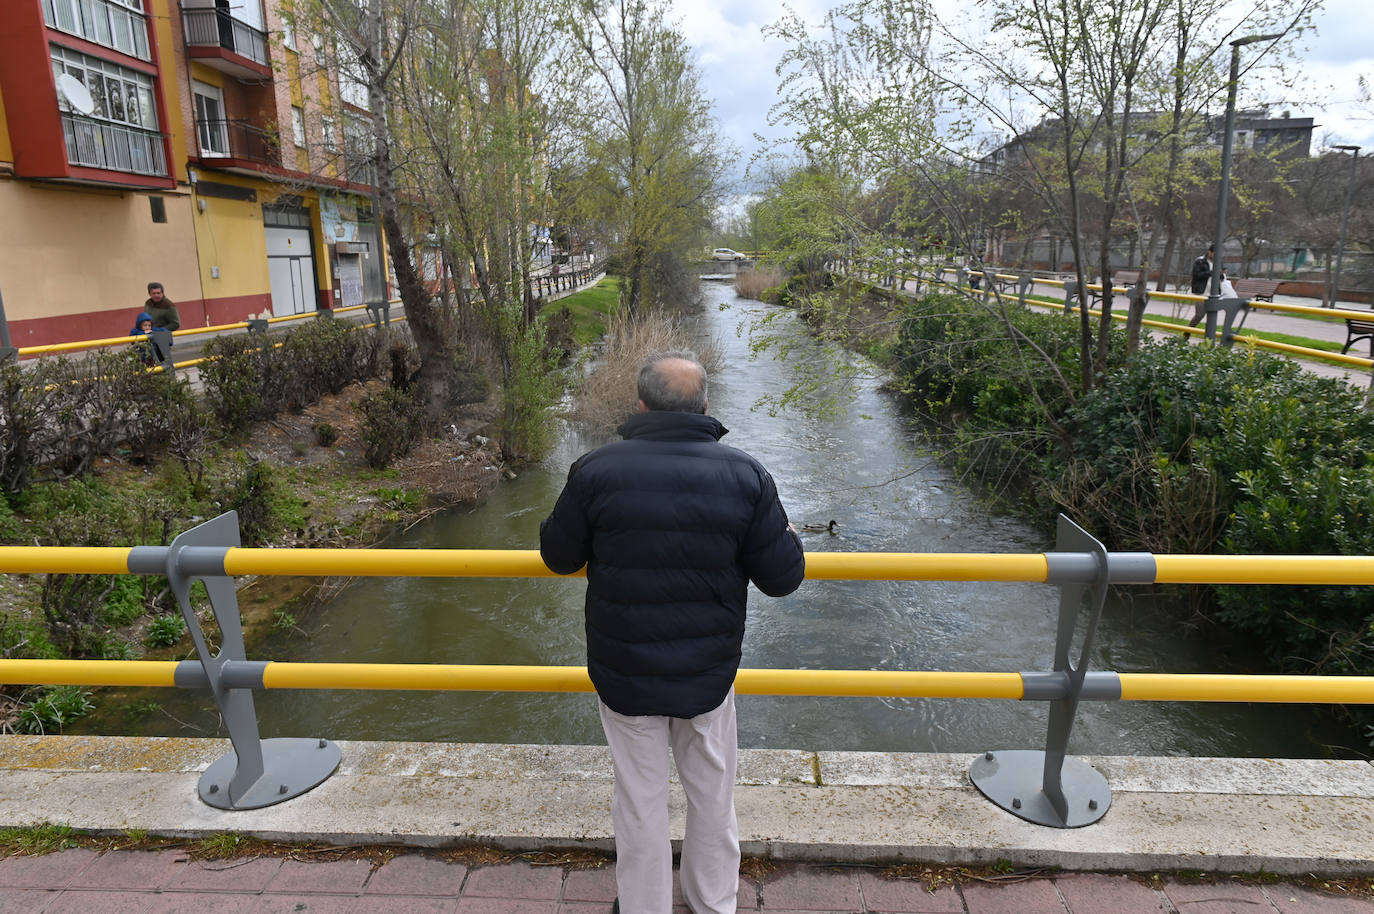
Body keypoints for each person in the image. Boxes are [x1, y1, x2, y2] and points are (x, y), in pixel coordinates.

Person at [539, 351, 805, 914]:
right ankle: (713, 903)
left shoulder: (596, 470)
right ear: (705, 405)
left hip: (625, 670)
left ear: (639, 405)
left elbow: (559, 557)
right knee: (712, 795)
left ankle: (645, 907)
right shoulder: (746, 474)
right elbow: (782, 578)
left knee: (639, 800)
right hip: (707, 674)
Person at [1188, 245, 1215, 326]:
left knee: (1212, 317)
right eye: (1215, 253)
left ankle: (1209, 337)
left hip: (1213, 293)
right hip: (1201, 292)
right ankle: (1187, 333)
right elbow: (1196, 275)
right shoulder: (1200, 261)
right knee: (1200, 314)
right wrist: (1210, 272)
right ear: (1210, 252)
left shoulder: (1217, 262)